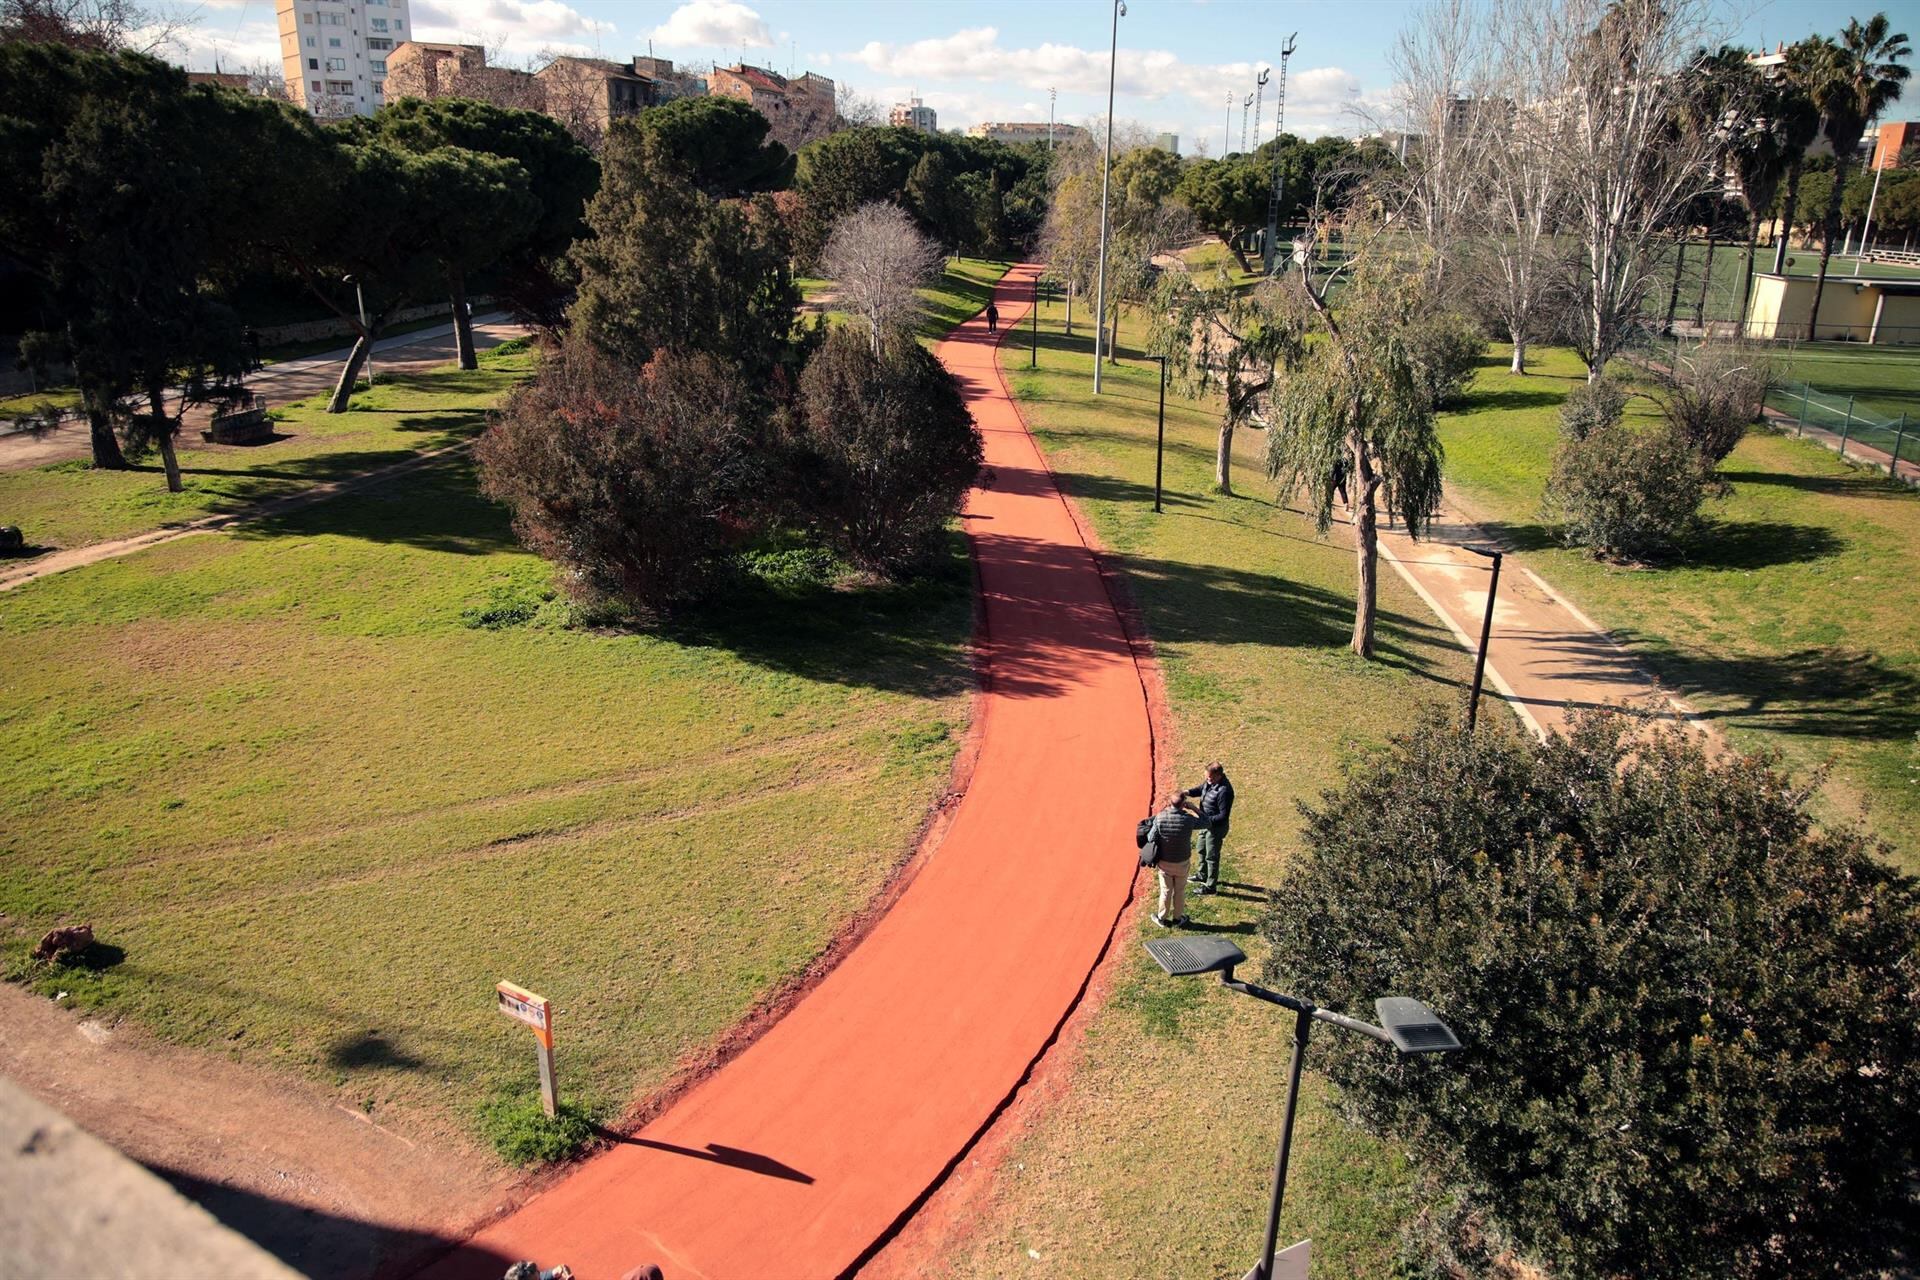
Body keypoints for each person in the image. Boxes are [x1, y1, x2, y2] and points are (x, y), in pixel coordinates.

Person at [1145, 791, 1201, 928]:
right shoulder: (1188, 819)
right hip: (1182, 862)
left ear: (1170, 803)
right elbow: (1207, 822)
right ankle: (1177, 919)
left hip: (1165, 863)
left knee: (1166, 891)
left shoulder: (1160, 818)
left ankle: (1162, 918)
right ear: (1183, 805)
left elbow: (1150, 838)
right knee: (1180, 891)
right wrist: (1193, 808)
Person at [1184, 762, 1235, 895]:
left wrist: (1200, 814)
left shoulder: (1225, 791)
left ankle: (1210, 887)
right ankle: (1202, 875)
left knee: (1211, 857)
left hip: (1215, 828)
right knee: (1201, 849)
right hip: (1205, 824)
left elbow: (1223, 816)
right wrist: (1187, 792)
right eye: (1206, 777)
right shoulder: (1210, 782)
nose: (1208, 780)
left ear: (1219, 776)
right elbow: (1201, 789)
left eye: (1210, 778)